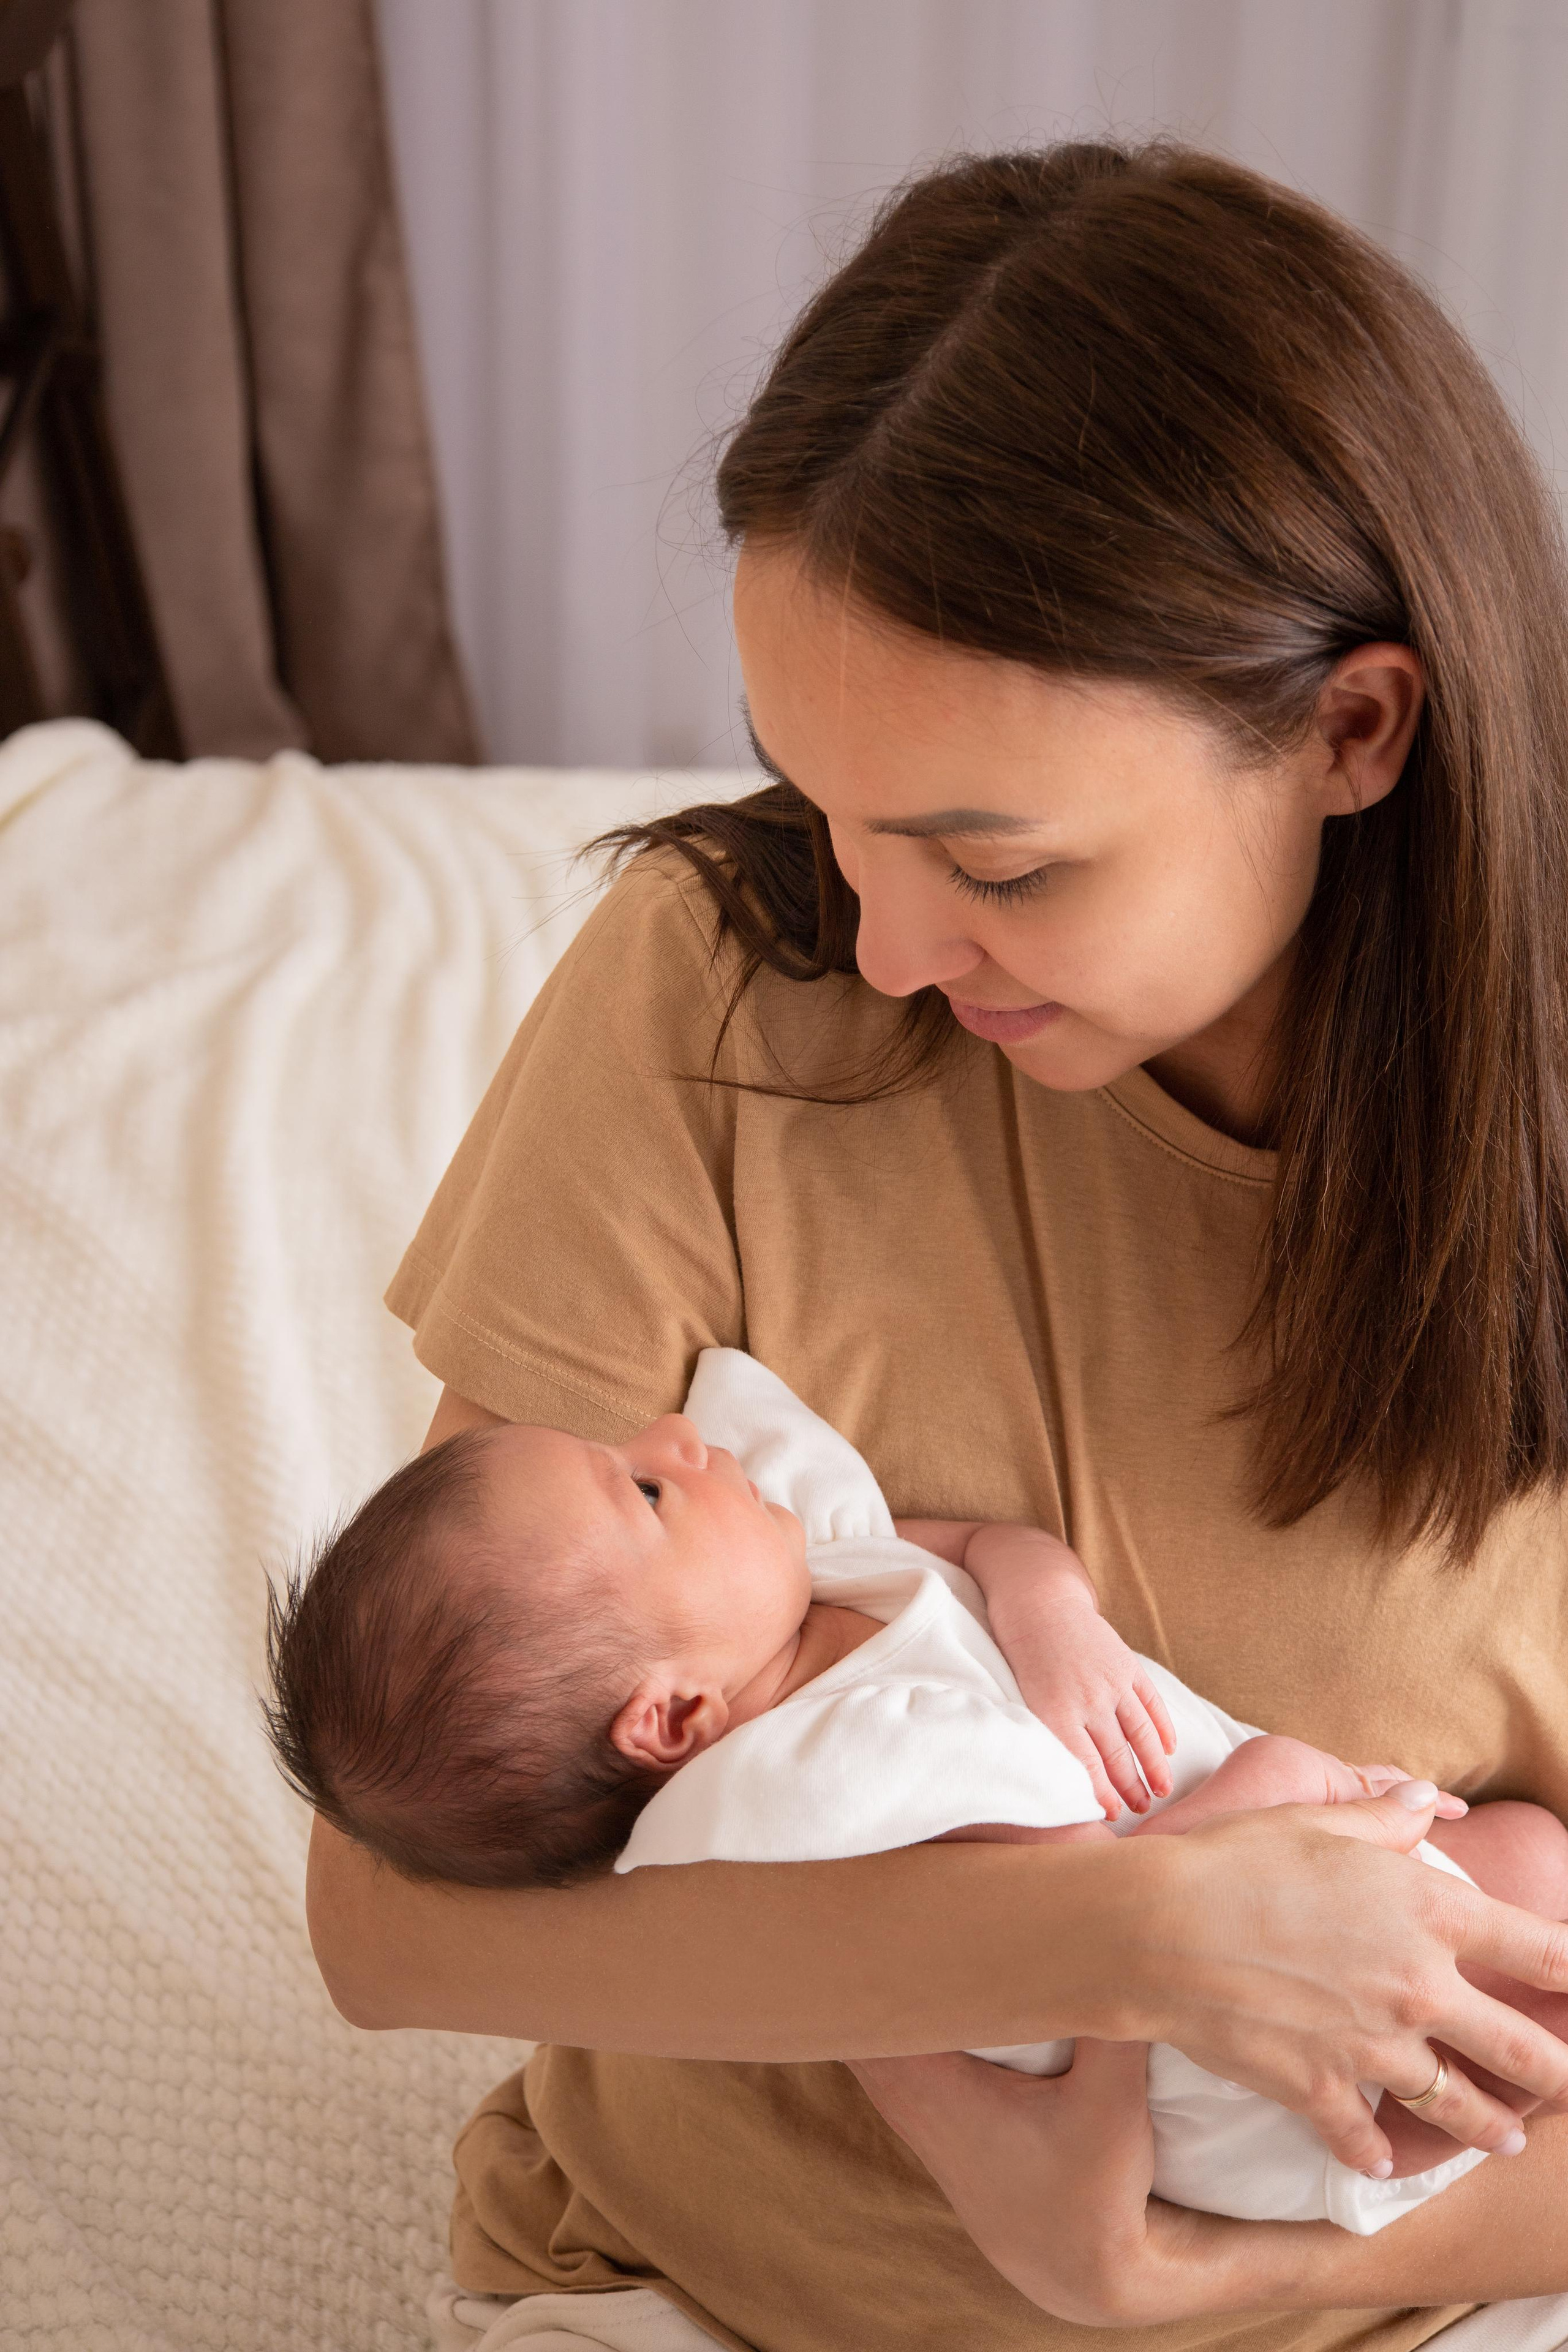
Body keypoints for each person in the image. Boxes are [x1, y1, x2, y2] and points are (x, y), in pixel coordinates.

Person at [306, 141, 1568, 2350]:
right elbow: (400, 1922)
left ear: (1353, 732)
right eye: (828, 807)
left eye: (1000, 866)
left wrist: (1154, 2276)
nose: (884, 946)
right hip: (690, 2297)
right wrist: (1141, 1946)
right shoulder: (722, 987)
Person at [270, 1346, 1566, 2247]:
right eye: (649, 1491)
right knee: (1530, 1920)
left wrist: (1050, 1613)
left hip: (1282, 1908)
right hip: (1247, 2082)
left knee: (1525, 1879)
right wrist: (1284, 1779)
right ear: (670, 1719)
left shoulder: (806, 1583)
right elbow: (1123, 1916)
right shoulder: (828, 1787)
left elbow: (980, 1549)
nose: (672, 1437)